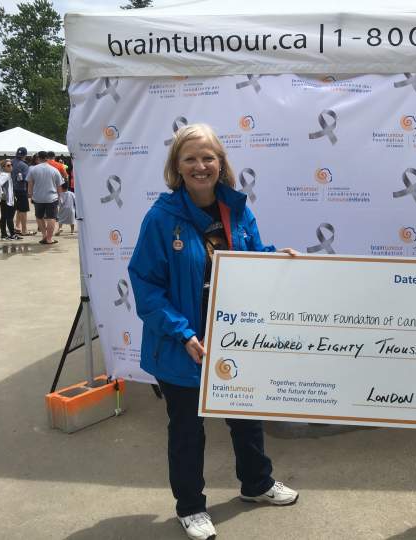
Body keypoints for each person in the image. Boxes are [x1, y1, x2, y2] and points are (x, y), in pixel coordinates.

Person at [128, 123, 299, 540]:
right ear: (177, 166)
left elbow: (251, 259)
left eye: (208, 157)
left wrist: (278, 260)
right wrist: (183, 333)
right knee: (187, 430)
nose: (200, 166)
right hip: (184, 344)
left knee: (246, 417)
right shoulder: (161, 219)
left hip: (233, 337)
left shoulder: (237, 209)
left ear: (221, 163)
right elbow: (146, 286)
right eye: (190, 158)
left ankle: (256, 483)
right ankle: (190, 506)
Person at [27, 151, 63, 245]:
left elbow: (30, 184)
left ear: (38, 158)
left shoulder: (33, 169)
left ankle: (44, 236)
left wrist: (30, 195)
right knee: (51, 218)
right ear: (47, 158)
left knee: (39, 217)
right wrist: (60, 197)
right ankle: (49, 238)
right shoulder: (54, 170)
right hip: (52, 198)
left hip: (38, 197)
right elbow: (59, 185)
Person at [0, 159, 21, 240]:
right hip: (8, 199)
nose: (11, 166)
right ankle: (12, 235)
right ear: (3, 167)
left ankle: (4, 235)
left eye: (11, 165)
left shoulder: (4, 174)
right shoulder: (5, 175)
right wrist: (1, 193)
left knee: (4, 217)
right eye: (8, 165)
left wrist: (1, 194)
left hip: (4, 199)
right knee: (9, 217)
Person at [11, 147, 34, 236]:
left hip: (12, 189)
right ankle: (24, 230)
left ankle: (17, 227)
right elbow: (26, 179)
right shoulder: (24, 165)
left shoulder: (11, 162)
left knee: (19, 209)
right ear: (25, 155)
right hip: (21, 189)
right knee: (23, 210)